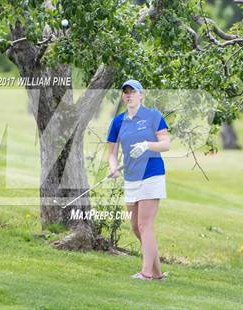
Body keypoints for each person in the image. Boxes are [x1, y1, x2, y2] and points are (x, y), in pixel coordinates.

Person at [107, 79, 170, 281]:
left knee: (145, 225)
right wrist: (113, 168)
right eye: (125, 91)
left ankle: (146, 273)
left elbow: (166, 144)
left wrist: (147, 145)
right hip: (131, 178)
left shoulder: (153, 116)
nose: (128, 95)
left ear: (141, 94)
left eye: (132, 91)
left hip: (152, 174)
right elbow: (112, 153)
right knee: (135, 227)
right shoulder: (118, 121)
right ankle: (158, 274)